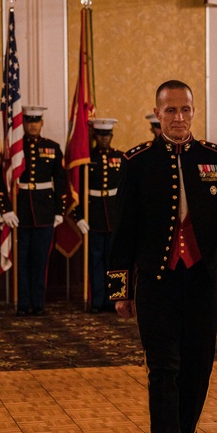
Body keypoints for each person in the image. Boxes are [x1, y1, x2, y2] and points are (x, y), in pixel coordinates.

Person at [107, 80, 217, 433]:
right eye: (170, 111)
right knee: (164, 370)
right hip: (156, 284)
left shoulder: (216, 159)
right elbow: (122, 230)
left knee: (197, 369)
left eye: (185, 110)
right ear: (158, 115)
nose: (178, 118)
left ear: (194, 112)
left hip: (200, 284)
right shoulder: (137, 163)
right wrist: (120, 287)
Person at [0, 106, 66, 316]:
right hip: (21, 212)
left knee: (39, 260)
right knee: (21, 261)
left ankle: (38, 303)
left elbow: (60, 180)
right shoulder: (14, 150)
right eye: (29, 121)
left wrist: (59, 211)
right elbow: (1, 181)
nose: (33, 124)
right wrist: (6, 210)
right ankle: (22, 302)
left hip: (45, 211)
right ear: (23, 124)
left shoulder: (52, 148)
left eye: (36, 120)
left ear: (42, 123)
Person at [72, 117, 122, 313]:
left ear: (111, 136)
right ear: (94, 136)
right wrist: (79, 215)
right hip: (94, 217)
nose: (104, 139)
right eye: (100, 135)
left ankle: (115, 300)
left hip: (114, 216)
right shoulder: (85, 159)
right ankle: (97, 300)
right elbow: (78, 190)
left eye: (107, 135)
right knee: (96, 260)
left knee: (115, 261)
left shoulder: (120, 157)